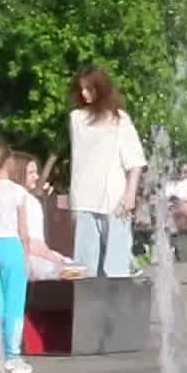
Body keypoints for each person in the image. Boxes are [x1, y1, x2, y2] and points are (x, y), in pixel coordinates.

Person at [0, 149, 59, 373]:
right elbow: (23, 230)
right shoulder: (17, 192)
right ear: (8, 164)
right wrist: (26, 256)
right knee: (14, 304)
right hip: (11, 247)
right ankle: (12, 356)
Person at [67, 65, 148, 277]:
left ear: (101, 89)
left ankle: (119, 295)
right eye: (81, 89)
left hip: (114, 200)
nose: (84, 94)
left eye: (89, 89)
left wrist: (130, 194)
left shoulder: (119, 119)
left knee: (115, 267)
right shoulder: (76, 118)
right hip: (83, 199)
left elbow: (135, 161)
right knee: (86, 268)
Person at [20, 158, 77, 280]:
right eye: (31, 173)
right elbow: (32, 244)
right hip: (30, 260)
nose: (36, 177)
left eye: (36, 172)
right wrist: (58, 260)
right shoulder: (29, 202)